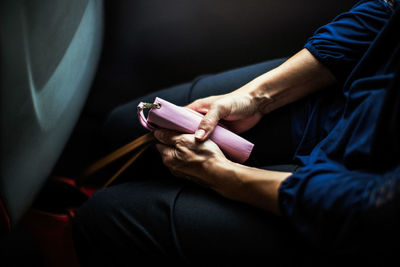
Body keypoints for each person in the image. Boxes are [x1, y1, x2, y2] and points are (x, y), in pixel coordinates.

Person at [72, 0, 400, 266]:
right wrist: (256, 97)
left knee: (104, 217)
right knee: (124, 127)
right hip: (344, 98)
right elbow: (386, 11)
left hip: (352, 198)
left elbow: (369, 211)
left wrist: (222, 175)